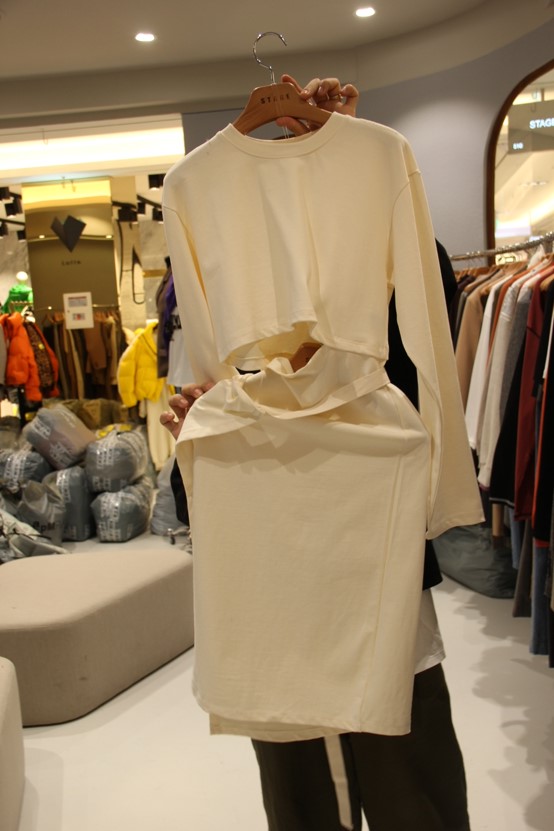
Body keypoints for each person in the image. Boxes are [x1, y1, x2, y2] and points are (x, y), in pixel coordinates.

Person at [160, 75, 479, 831]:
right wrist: (210, 430)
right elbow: (205, 372)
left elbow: (426, 328)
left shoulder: (379, 162)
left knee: (402, 741)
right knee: (294, 744)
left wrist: (336, 158)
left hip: (367, 500)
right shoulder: (193, 186)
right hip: (264, 498)